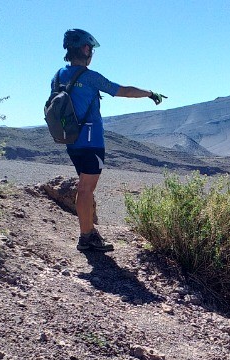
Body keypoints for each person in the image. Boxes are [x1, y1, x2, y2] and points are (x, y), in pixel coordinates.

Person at [53, 28, 166, 252]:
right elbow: (123, 91)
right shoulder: (90, 77)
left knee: (84, 188)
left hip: (71, 141)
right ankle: (86, 237)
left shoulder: (58, 75)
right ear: (85, 49)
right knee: (86, 189)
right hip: (90, 141)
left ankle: (88, 233)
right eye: (91, 49)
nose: (92, 53)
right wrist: (150, 93)